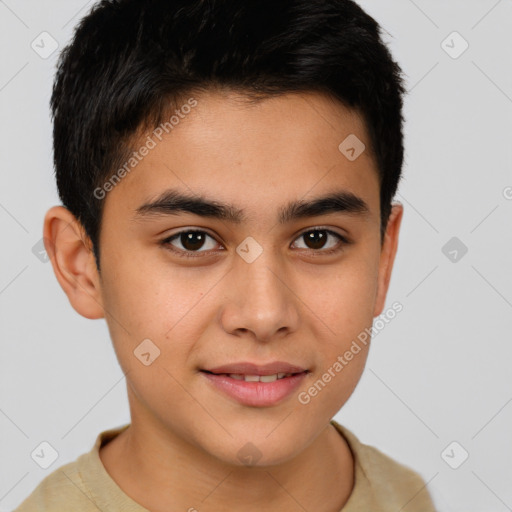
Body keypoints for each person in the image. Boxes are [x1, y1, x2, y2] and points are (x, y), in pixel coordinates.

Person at [15, 0, 436, 510]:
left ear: (383, 259)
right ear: (81, 264)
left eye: (317, 238)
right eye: (191, 240)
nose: (263, 315)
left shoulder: (410, 496)